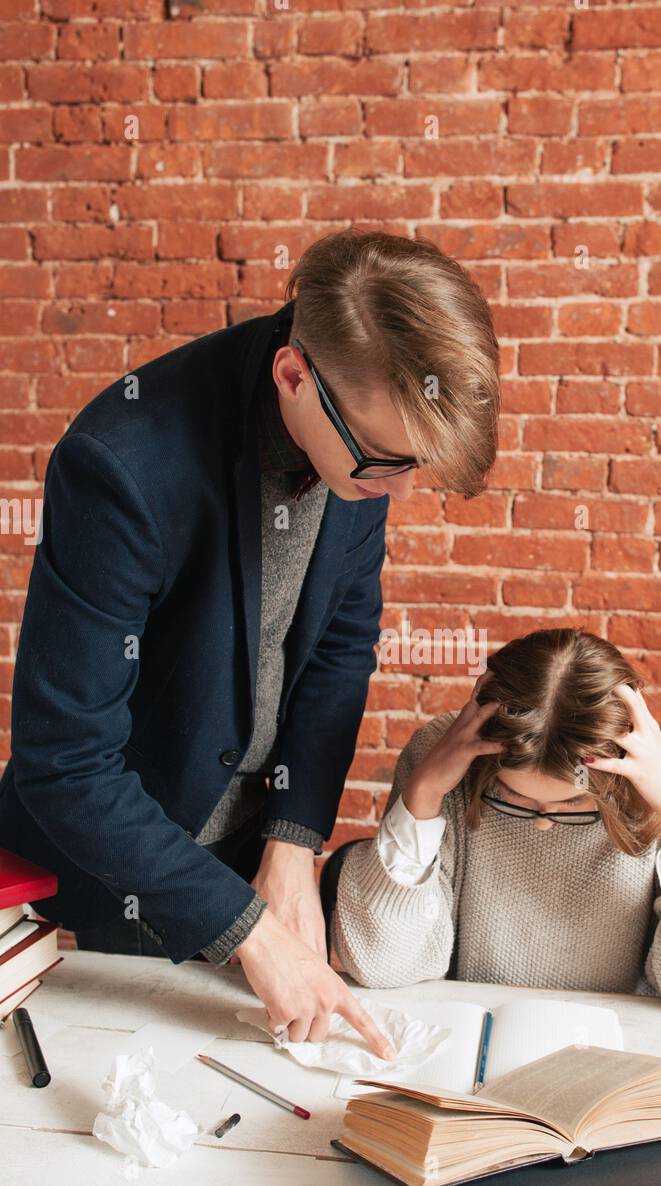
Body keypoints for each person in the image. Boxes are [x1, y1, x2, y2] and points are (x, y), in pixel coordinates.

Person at [0, 228, 501, 1051]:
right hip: (99, 891)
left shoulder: (362, 431)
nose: (399, 492)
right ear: (294, 375)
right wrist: (250, 932)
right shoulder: (120, 464)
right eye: (386, 467)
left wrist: (295, 841)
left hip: (248, 863)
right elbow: (65, 761)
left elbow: (339, 648)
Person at [327, 628, 661, 1026]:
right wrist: (422, 795)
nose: (543, 824)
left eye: (572, 804)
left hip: (622, 1047)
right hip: (466, 1034)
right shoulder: (446, 753)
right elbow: (380, 962)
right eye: (515, 799)